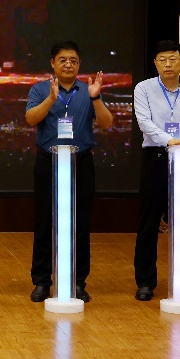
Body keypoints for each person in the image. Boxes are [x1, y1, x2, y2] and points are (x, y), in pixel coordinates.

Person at [25, 40, 112, 303]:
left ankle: (78, 281)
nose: (68, 64)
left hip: (80, 162)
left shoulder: (88, 90)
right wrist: (51, 99)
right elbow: (31, 119)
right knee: (44, 222)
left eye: (73, 60)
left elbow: (106, 123)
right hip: (48, 161)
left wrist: (96, 97)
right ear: (53, 63)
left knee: (80, 224)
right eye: (63, 60)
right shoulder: (40, 89)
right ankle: (42, 281)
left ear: (79, 64)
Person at [132, 40, 180, 301]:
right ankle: (145, 282)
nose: (168, 64)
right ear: (155, 63)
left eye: (173, 59)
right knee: (149, 223)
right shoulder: (144, 88)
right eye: (162, 60)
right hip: (155, 158)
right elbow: (144, 122)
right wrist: (169, 140)